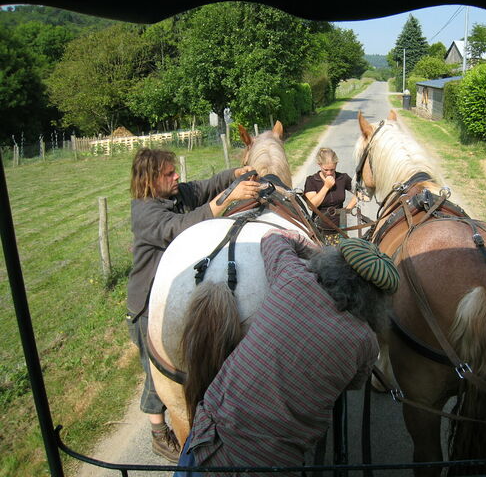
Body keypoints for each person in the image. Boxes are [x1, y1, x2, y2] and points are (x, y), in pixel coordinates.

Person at [174, 230, 399, 476]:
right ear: (377, 301)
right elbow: (354, 384)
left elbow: (272, 238)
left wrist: (315, 250)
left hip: (208, 440)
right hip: (270, 466)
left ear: (334, 263)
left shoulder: (293, 278)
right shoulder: (366, 343)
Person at [127, 147, 260, 463]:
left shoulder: (176, 194)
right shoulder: (145, 213)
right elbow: (180, 227)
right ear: (150, 180)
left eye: (175, 171)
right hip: (147, 305)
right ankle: (159, 433)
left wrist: (233, 175)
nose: (177, 176)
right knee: (160, 372)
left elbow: (205, 186)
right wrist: (227, 200)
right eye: (169, 174)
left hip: (170, 294)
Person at [304, 148, 358, 245]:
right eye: (326, 170)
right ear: (319, 164)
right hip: (320, 230)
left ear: (336, 165)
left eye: (332, 169)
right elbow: (311, 206)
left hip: (340, 228)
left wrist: (348, 209)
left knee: (342, 253)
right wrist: (326, 187)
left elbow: (360, 192)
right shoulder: (312, 181)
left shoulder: (343, 178)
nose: (329, 173)